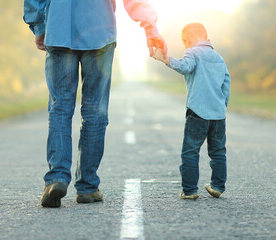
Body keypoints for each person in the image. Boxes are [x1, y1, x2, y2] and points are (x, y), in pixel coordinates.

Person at [23, 0, 167, 207]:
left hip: (59, 29)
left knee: (60, 108)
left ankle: (56, 179)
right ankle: (88, 187)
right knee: (94, 112)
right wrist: (150, 28)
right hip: (99, 32)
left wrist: (39, 26)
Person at [153, 23, 231, 199]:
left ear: (186, 41)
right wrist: (221, 107)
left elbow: (185, 67)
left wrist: (167, 60)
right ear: (207, 38)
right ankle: (217, 186)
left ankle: (189, 190)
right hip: (218, 115)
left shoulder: (192, 52)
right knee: (218, 152)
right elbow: (226, 85)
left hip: (198, 112)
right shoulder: (219, 58)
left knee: (190, 151)